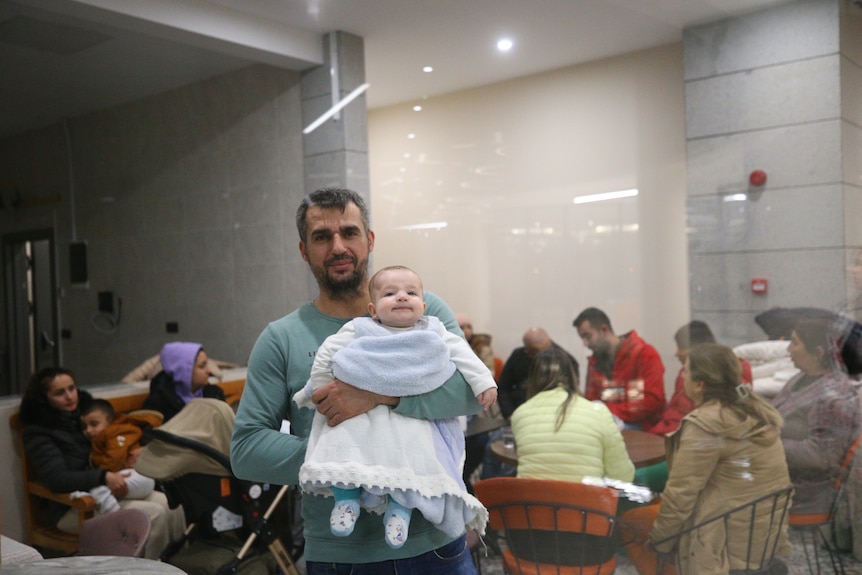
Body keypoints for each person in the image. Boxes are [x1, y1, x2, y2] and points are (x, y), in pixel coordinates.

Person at [230, 187, 482, 573]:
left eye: (349, 232)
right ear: (303, 250)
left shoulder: (423, 312)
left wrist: (377, 395)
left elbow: (469, 394)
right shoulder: (281, 338)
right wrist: (345, 457)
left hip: (435, 544)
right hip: (341, 558)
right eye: (321, 237)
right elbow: (247, 449)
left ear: (370, 240)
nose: (337, 246)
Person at [294, 265, 496, 549]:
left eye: (410, 293)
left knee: (411, 454)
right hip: (361, 415)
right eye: (390, 293)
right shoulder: (360, 328)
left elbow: (464, 355)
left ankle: (400, 512)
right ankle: (345, 500)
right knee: (342, 440)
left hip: (405, 415)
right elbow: (329, 350)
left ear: (423, 307)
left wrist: (484, 382)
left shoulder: (434, 329)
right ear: (373, 310)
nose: (402, 297)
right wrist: (322, 383)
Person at [623, 344, 792, 575]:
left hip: (721, 539)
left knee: (631, 523)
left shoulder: (706, 425)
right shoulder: (758, 410)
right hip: (761, 533)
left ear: (700, 385)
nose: (682, 376)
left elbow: (681, 495)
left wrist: (660, 542)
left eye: (686, 371)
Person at [18, 367, 185, 561]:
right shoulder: (38, 432)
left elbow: (119, 435)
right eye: (59, 393)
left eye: (72, 388)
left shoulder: (87, 414)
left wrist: (134, 451)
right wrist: (103, 477)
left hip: (107, 490)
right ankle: (143, 570)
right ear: (43, 398)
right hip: (76, 505)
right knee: (153, 514)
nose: (70, 396)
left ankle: (175, 565)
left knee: (172, 504)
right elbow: (57, 479)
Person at [771, 318, 861, 514]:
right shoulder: (801, 378)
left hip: (806, 494)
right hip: (780, 477)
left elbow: (821, 456)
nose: (788, 349)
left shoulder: (834, 397)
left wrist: (765, 444)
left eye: (795, 342)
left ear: (818, 352)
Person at [510, 347, 634, 483]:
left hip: (531, 502)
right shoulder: (598, 412)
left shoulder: (520, 414)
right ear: (572, 376)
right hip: (585, 502)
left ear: (532, 379)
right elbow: (623, 476)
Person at [573, 307, 665, 430]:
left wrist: (606, 410)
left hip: (642, 427)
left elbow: (651, 402)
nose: (585, 343)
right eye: (582, 338)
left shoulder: (644, 354)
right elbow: (593, 399)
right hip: (609, 423)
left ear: (604, 330)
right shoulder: (595, 361)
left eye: (588, 336)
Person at [78, 398, 161, 515]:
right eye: (84, 427)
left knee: (100, 490)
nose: (89, 430)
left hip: (137, 475)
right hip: (130, 478)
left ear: (110, 421)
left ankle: (115, 515)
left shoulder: (116, 432)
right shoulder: (103, 437)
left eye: (94, 424)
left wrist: (105, 475)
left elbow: (116, 457)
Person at [497, 327, 579, 418]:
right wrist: (509, 414)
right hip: (519, 411)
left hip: (554, 414)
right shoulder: (518, 356)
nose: (545, 356)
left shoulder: (567, 361)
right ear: (528, 351)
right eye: (539, 352)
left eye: (548, 349)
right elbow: (503, 388)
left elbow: (572, 392)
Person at [142, 341, 225, 422]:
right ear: (184, 371)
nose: (208, 370)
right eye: (202, 366)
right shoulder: (158, 403)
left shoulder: (215, 394)